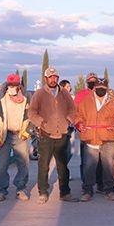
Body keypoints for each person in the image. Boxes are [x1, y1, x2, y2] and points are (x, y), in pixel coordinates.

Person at [28, 67, 77, 204]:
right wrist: (40, 122)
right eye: (50, 77)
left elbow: (73, 110)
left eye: (55, 77)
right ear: (46, 78)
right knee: (43, 166)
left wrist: (68, 121)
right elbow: (32, 112)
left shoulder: (64, 94)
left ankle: (65, 192)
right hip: (46, 135)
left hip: (61, 135)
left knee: (62, 166)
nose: (53, 79)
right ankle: (43, 192)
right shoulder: (39, 94)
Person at [75, 78, 114, 202]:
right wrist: (79, 124)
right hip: (90, 139)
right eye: (98, 89)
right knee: (88, 167)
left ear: (107, 88)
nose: (100, 91)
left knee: (108, 166)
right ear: (94, 88)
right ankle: (87, 191)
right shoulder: (85, 101)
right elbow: (78, 116)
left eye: (103, 89)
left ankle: (109, 190)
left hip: (108, 139)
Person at [0, 74, 33, 202]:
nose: (12, 88)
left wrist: (28, 132)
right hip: (5, 135)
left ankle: (21, 188)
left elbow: (31, 115)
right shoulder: (0, 97)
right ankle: (1, 190)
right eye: (10, 85)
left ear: (19, 85)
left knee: (23, 163)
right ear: (7, 85)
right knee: (2, 164)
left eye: (14, 85)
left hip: (21, 135)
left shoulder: (27, 97)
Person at [74, 72, 99, 185]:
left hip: (100, 132)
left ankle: (100, 183)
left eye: (94, 81)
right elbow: (75, 112)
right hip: (86, 132)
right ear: (87, 82)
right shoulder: (81, 95)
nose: (92, 83)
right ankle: (86, 183)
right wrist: (78, 125)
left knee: (101, 161)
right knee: (86, 160)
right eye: (90, 81)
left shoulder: (102, 94)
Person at [60, 79, 76, 164]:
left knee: (71, 151)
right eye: (67, 86)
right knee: (66, 151)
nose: (69, 88)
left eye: (69, 86)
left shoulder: (70, 97)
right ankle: (62, 172)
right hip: (64, 128)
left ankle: (63, 170)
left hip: (71, 127)